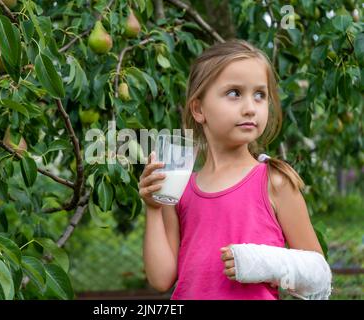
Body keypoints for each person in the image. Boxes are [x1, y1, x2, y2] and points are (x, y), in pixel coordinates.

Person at [139, 39, 328, 300]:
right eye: (234, 93)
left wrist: (259, 262)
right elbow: (161, 279)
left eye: (260, 95)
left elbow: (318, 276)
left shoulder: (274, 181)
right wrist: (152, 207)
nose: (251, 107)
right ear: (198, 109)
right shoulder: (180, 188)